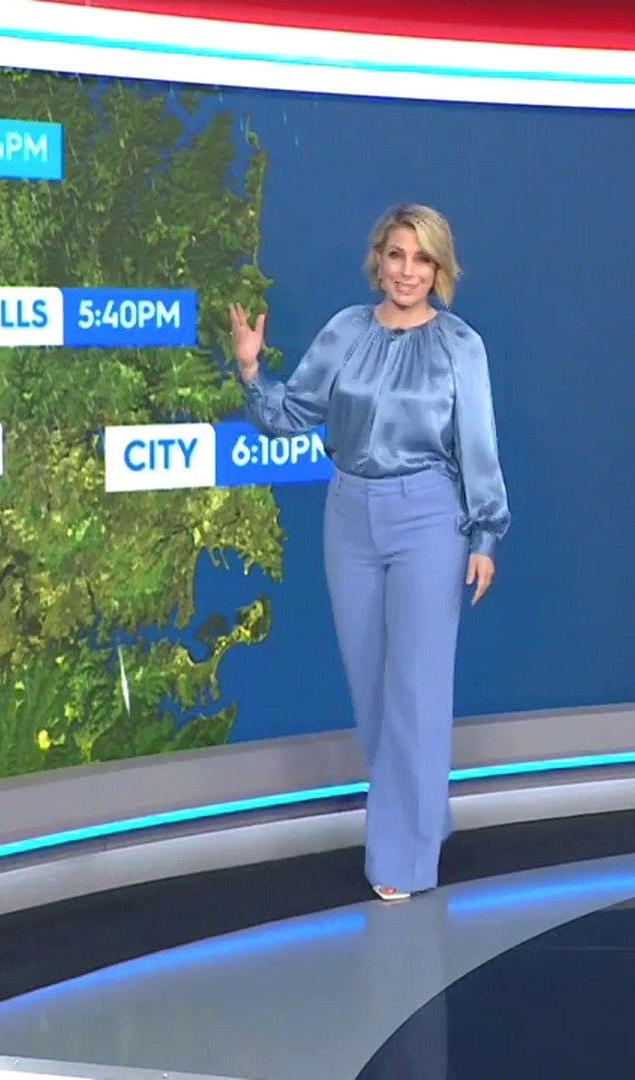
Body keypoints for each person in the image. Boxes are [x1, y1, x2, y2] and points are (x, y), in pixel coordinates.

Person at [229, 203, 510, 902]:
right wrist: (250, 370)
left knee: (416, 688)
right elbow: (291, 415)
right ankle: (423, 816)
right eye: (396, 255)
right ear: (378, 260)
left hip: (429, 517)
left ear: (439, 269)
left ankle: (401, 861)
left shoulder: (460, 346)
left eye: (422, 259)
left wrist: (484, 534)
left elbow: (477, 443)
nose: (407, 271)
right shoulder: (346, 332)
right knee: (374, 689)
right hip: (349, 514)